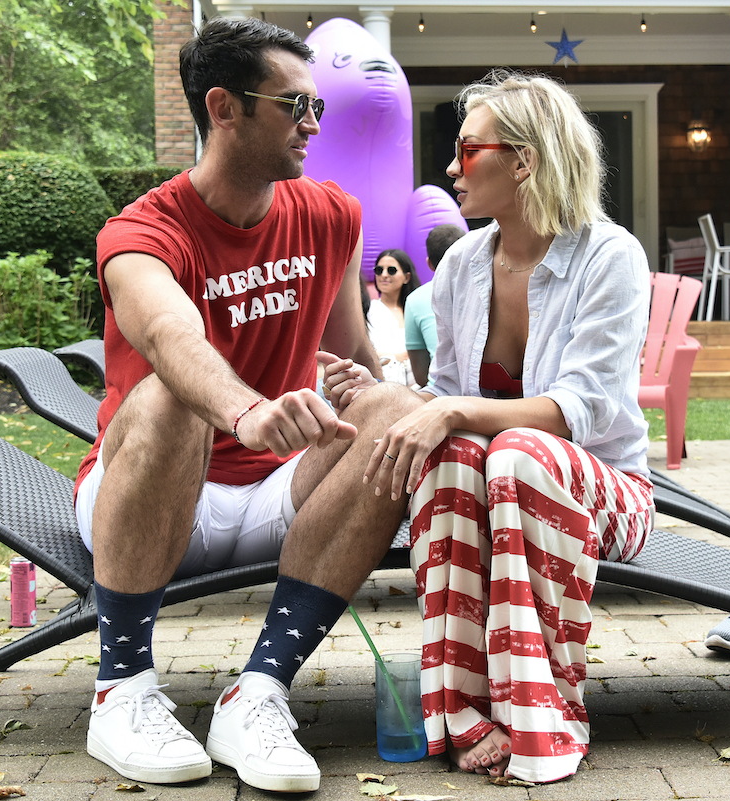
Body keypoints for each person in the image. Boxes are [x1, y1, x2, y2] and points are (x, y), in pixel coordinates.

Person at [74, 17, 420, 793]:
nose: (313, 124)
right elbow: (170, 337)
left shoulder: (330, 214)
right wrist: (244, 410)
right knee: (172, 397)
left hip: (271, 494)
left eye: (318, 108)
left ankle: (257, 692)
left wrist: (387, 400)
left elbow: (353, 356)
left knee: (394, 408)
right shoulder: (141, 232)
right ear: (224, 108)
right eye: (294, 106)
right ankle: (121, 688)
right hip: (154, 494)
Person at [324, 70, 655, 784]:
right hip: (496, 485)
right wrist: (386, 394)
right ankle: (466, 710)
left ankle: (546, 708)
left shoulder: (610, 257)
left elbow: (583, 410)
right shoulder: (465, 264)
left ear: (525, 160)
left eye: (467, 151)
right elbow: (445, 395)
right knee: (455, 458)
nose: (450, 169)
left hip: (603, 492)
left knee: (517, 453)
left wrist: (453, 411)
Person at [405, 224, 467, 387]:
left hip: (441, 395)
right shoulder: (492, 288)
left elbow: (421, 376)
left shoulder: (415, 299)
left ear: (429, 264)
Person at [367, 248, 420, 385]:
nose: (384, 275)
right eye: (379, 270)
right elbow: (360, 350)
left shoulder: (416, 310)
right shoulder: (369, 309)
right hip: (381, 383)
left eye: (391, 270)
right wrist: (396, 357)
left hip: (419, 386)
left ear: (406, 277)